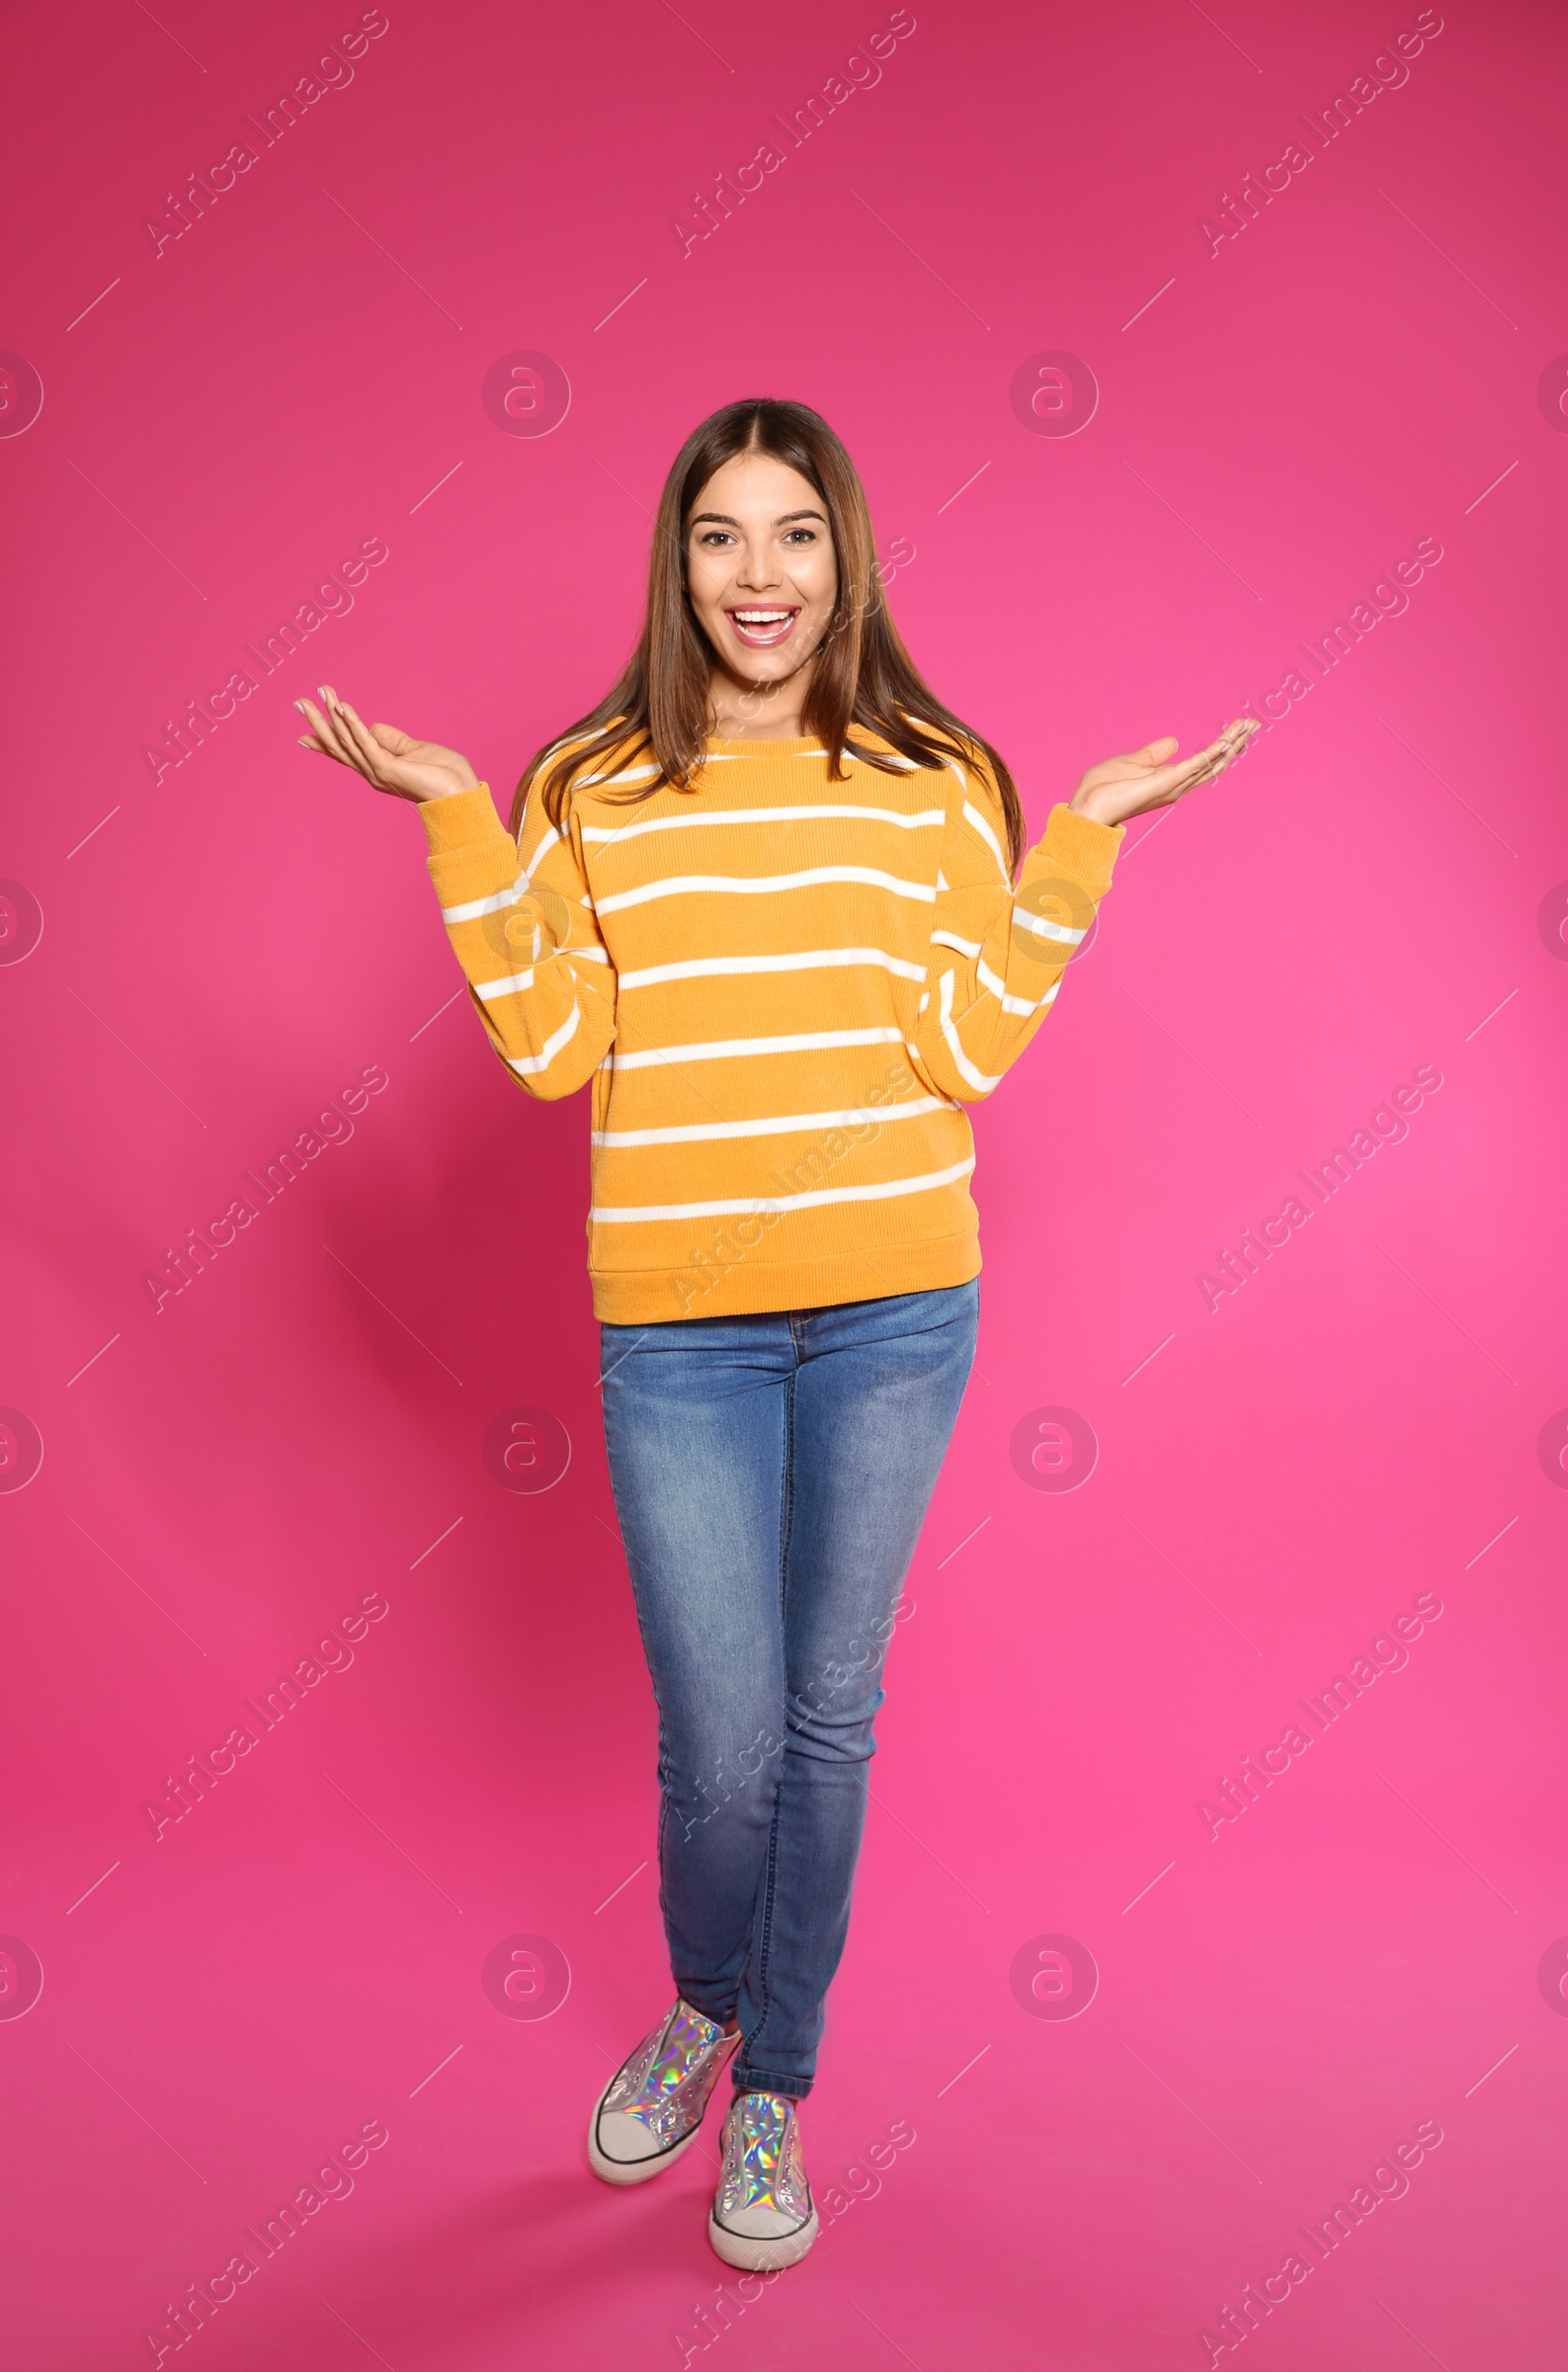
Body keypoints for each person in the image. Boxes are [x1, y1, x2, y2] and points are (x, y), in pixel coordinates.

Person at [294, 396, 1255, 2271]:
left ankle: (772, 2092)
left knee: (828, 1716)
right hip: (683, 1328)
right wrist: (453, 819)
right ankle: (702, 1994)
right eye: (724, 537)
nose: (761, 576)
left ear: (847, 556)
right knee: (719, 1734)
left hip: (898, 1305)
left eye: (795, 536)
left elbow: (960, 1050)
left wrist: (1079, 843)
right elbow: (556, 1046)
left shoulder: (930, 775)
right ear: (679, 560)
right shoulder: (590, 780)